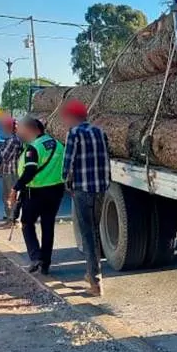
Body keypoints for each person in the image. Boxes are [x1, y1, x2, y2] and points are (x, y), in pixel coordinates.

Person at [61, 99, 109, 296]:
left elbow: (68, 161)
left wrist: (65, 180)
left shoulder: (74, 133)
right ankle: (93, 274)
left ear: (73, 117)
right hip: (101, 188)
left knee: (87, 234)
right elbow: (107, 157)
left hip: (82, 189)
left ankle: (95, 281)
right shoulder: (100, 132)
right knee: (95, 232)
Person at [11, 117, 64, 275]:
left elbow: (29, 172)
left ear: (32, 130)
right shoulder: (58, 145)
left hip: (35, 192)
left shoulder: (33, 148)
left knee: (27, 223)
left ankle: (35, 257)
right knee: (48, 227)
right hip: (56, 191)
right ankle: (45, 264)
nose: (19, 132)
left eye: (22, 129)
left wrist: (15, 189)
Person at [0, 116, 25, 221]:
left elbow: (4, 156)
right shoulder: (11, 139)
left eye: (5, 126)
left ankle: (13, 218)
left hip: (11, 172)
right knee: (7, 195)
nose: (3, 128)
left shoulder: (13, 140)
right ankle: (9, 215)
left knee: (11, 196)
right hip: (8, 171)